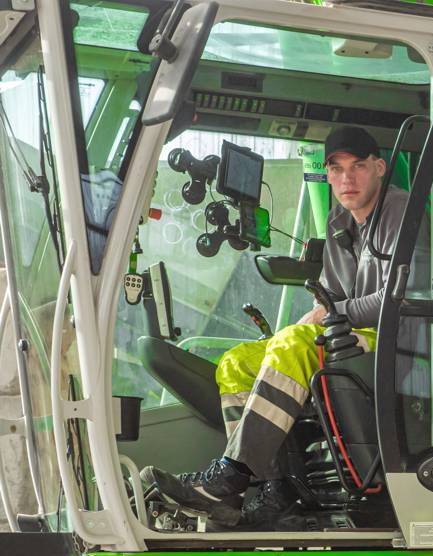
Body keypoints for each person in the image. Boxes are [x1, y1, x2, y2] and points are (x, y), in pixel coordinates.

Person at [142, 124, 407, 528]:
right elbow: (327, 297)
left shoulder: (400, 213)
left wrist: (331, 315)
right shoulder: (339, 224)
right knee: (236, 362)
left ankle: (233, 471)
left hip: (390, 339)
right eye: (336, 169)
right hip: (344, 331)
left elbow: (397, 298)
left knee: (296, 341)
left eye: (358, 167)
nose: (346, 178)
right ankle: (272, 488)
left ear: (380, 168)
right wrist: (320, 314)